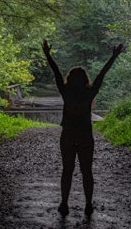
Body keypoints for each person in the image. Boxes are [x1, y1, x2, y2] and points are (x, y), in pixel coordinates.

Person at [42, 39, 124, 217]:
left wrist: (47, 54)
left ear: (69, 79)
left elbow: (56, 72)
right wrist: (114, 56)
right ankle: (88, 204)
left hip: (68, 135)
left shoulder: (66, 91)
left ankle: (64, 203)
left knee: (67, 170)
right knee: (87, 171)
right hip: (86, 136)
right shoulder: (89, 92)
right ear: (84, 79)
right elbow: (103, 74)